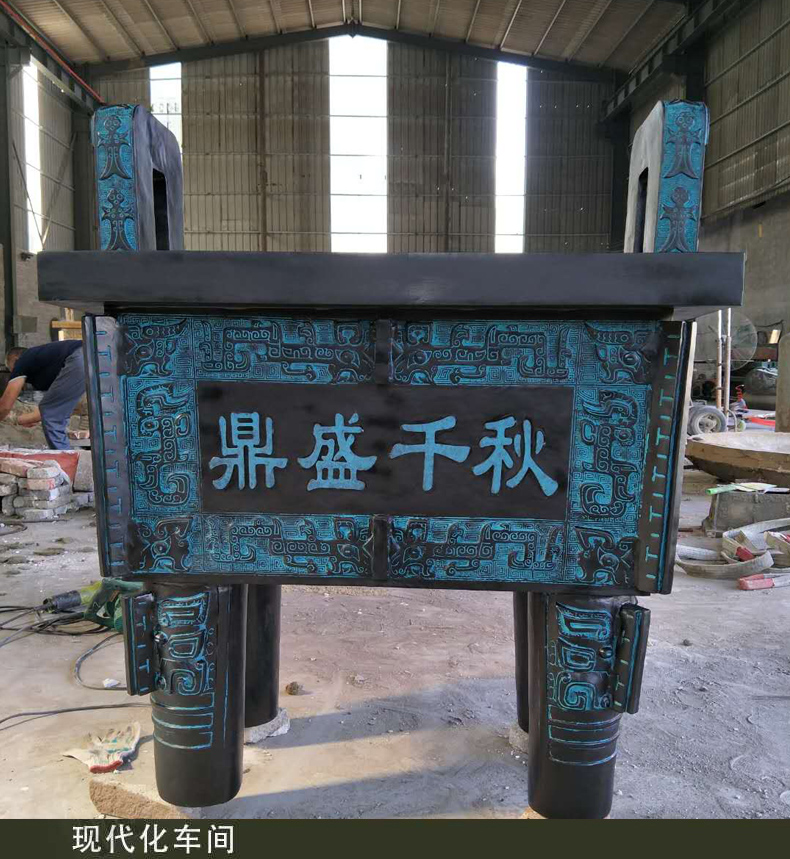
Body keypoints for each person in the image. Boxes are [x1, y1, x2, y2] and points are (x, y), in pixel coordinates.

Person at [0, 340, 85, 450]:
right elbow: (53, 408)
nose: (12, 372)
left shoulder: (22, 360)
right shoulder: (51, 368)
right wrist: (21, 420)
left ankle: (65, 456)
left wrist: (11, 418)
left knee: (52, 416)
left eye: (10, 369)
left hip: (81, 355)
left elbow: (5, 406)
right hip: (97, 353)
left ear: (15, 359)